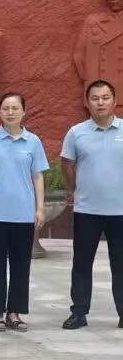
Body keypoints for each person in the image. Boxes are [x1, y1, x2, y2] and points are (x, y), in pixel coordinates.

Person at [0, 93, 48, 332]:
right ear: (0, 112)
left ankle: (14, 312)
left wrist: (40, 208)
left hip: (23, 213)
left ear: (24, 111)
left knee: (20, 265)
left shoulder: (33, 141)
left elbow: (38, 176)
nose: (11, 112)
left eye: (15, 108)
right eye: (6, 108)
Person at [61, 80, 123, 329]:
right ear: (87, 103)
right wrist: (75, 189)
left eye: (105, 97)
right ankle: (79, 312)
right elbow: (67, 164)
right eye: (95, 98)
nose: (100, 103)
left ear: (115, 101)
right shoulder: (76, 132)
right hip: (87, 210)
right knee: (82, 264)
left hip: (120, 211)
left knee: (120, 266)